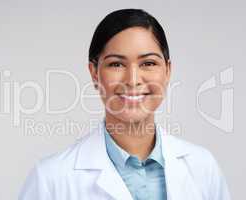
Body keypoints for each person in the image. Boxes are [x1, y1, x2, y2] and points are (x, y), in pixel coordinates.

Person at [18, 8, 231, 200]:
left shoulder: (203, 167)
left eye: (148, 63)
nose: (132, 79)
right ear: (94, 73)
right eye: (116, 64)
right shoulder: (51, 179)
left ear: (167, 71)